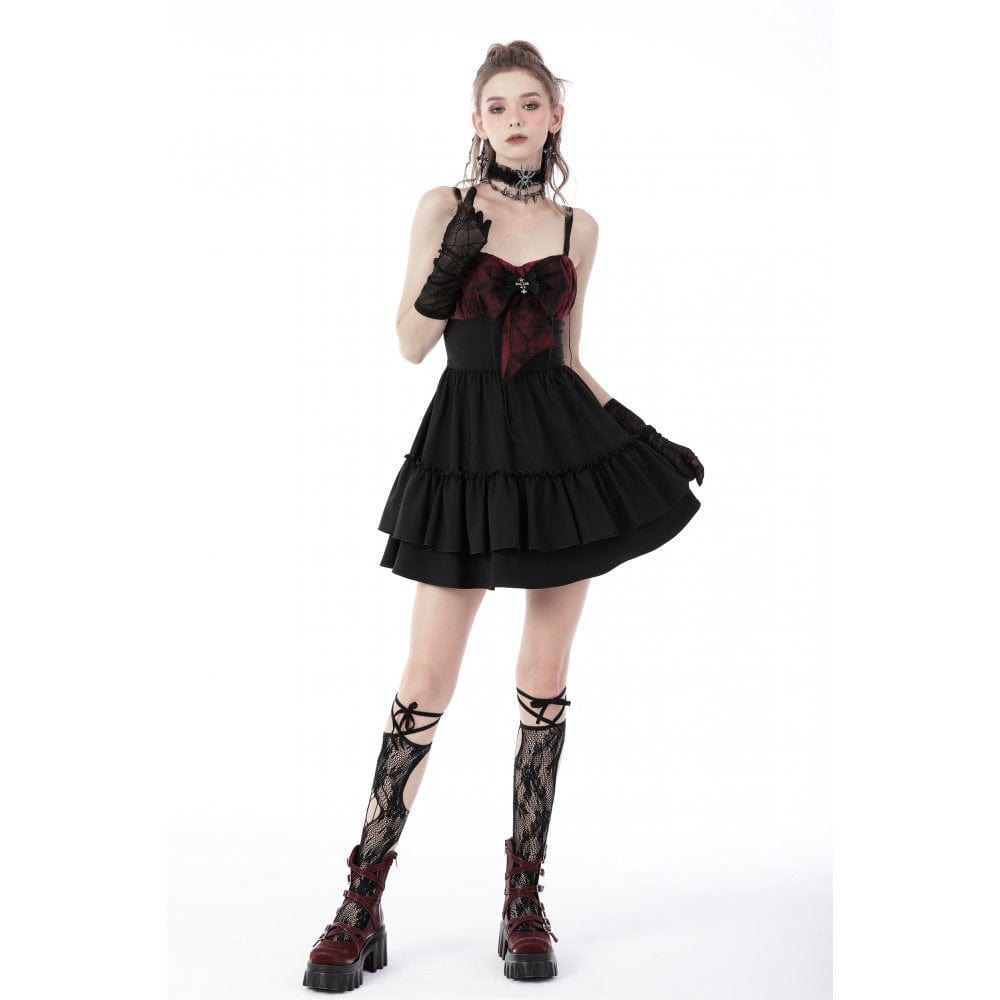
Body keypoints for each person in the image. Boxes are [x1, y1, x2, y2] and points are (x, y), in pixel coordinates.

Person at [302, 40, 704, 992]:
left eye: (530, 104)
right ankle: (362, 900)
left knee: (543, 678)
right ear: (477, 122)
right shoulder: (444, 207)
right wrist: (453, 262)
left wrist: (640, 434)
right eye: (497, 106)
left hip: (561, 460)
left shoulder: (578, 228)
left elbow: (567, 357)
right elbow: (410, 343)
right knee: (424, 682)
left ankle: (524, 898)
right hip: (465, 451)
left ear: (555, 116)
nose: (514, 119)